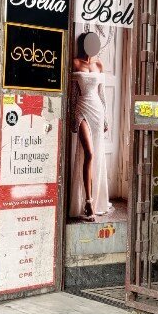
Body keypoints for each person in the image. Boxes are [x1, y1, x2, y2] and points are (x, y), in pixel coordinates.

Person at [70, 31, 109, 222]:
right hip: (82, 110)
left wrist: (106, 119)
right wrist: (72, 117)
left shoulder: (99, 64)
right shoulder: (75, 63)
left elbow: (102, 94)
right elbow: (72, 94)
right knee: (89, 153)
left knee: (97, 154)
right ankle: (88, 201)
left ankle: (94, 199)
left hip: (97, 111)